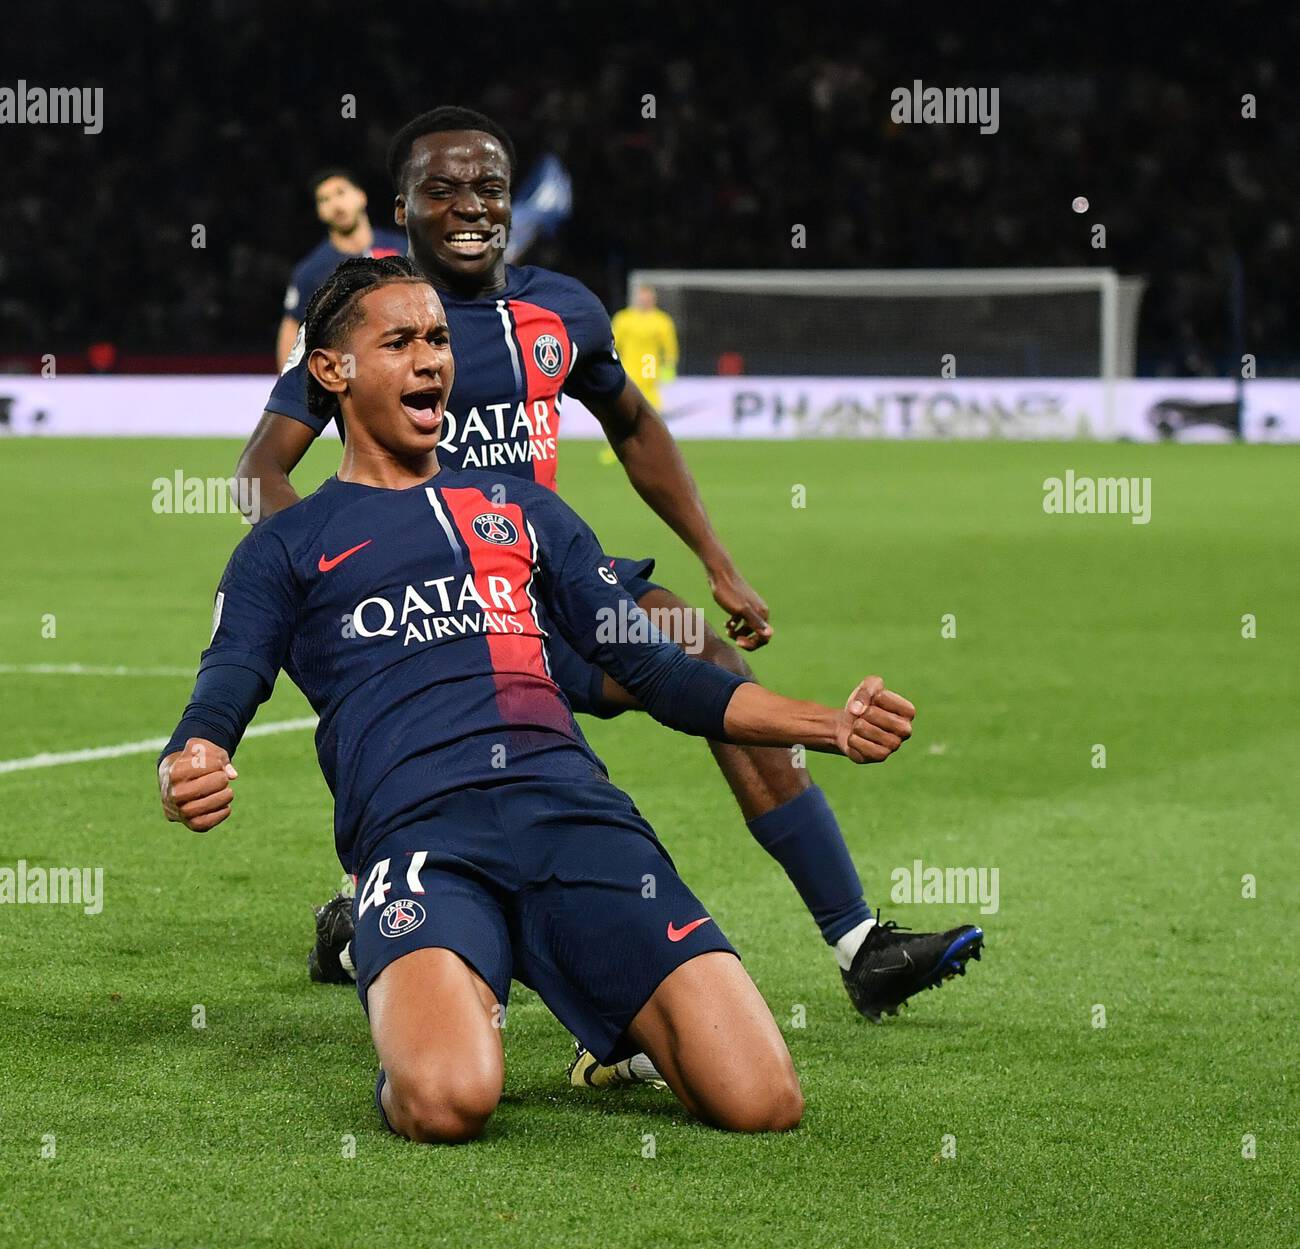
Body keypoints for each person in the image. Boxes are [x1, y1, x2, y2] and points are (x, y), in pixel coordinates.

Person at [157, 257, 969, 1143]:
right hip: (423, 837)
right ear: (332, 372)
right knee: (448, 1100)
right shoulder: (287, 545)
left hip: (573, 816)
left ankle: (597, 1013)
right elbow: (228, 677)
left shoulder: (522, 513)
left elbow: (661, 673)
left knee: (763, 1100)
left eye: (437, 339)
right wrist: (192, 754)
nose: (432, 360)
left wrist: (830, 725)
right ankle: (430, 981)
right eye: (400, 342)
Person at [236, 106, 981, 1032]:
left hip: (564, 589)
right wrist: (335, 572)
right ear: (403, 206)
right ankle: (371, 924)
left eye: (490, 188)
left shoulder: (565, 310)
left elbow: (632, 424)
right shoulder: (371, 322)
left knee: (700, 654)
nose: (470, 206)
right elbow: (260, 467)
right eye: (442, 189)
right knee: (457, 774)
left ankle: (858, 941)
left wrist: (718, 559)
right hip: (438, 608)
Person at [274, 168, 406, 368]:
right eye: (325, 200)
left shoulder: (404, 249)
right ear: (320, 212)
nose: (336, 205)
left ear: (361, 197)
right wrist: (289, 387)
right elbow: (292, 328)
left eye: (340, 193)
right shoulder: (311, 271)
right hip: (349, 376)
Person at [611, 284, 678, 410]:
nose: (644, 301)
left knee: (650, 400)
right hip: (628, 365)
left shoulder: (662, 321)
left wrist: (669, 367)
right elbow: (613, 344)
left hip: (649, 364)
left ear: (653, 299)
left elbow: (670, 347)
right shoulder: (623, 319)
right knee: (626, 399)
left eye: (647, 298)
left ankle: (653, 422)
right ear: (636, 298)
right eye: (642, 297)